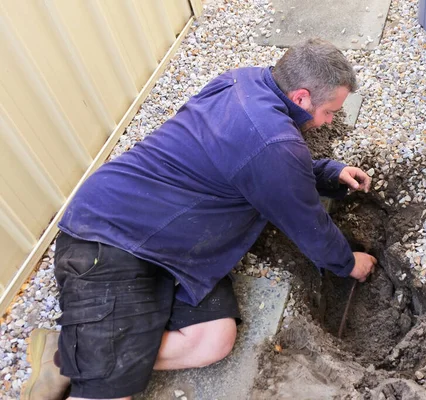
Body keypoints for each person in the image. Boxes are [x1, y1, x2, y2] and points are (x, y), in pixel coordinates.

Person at [21, 38, 377, 400]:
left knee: (213, 340)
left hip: (176, 244)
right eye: (330, 112)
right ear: (301, 97)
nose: (329, 120)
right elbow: (306, 220)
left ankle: (73, 352)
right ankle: (88, 358)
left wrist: (332, 174)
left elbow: (265, 166)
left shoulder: (244, 81)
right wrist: (347, 263)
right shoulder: (273, 141)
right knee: (108, 394)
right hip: (111, 233)